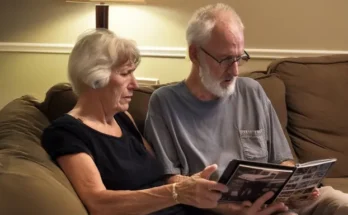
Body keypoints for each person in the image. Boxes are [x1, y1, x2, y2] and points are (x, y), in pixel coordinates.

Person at [144, 3, 348, 215]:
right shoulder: (165, 103)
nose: (234, 71)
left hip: (278, 200)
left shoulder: (252, 91)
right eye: (225, 59)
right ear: (195, 54)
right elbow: (170, 182)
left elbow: (283, 160)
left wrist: (297, 188)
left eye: (239, 58)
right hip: (224, 210)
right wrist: (226, 208)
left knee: (342, 203)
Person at [41, 29, 233, 215]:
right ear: (95, 78)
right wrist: (178, 193)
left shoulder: (123, 119)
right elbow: (98, 203)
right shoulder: (66, 133)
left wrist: (195, 186)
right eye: (125, 74)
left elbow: (160, 178)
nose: (135, 84)